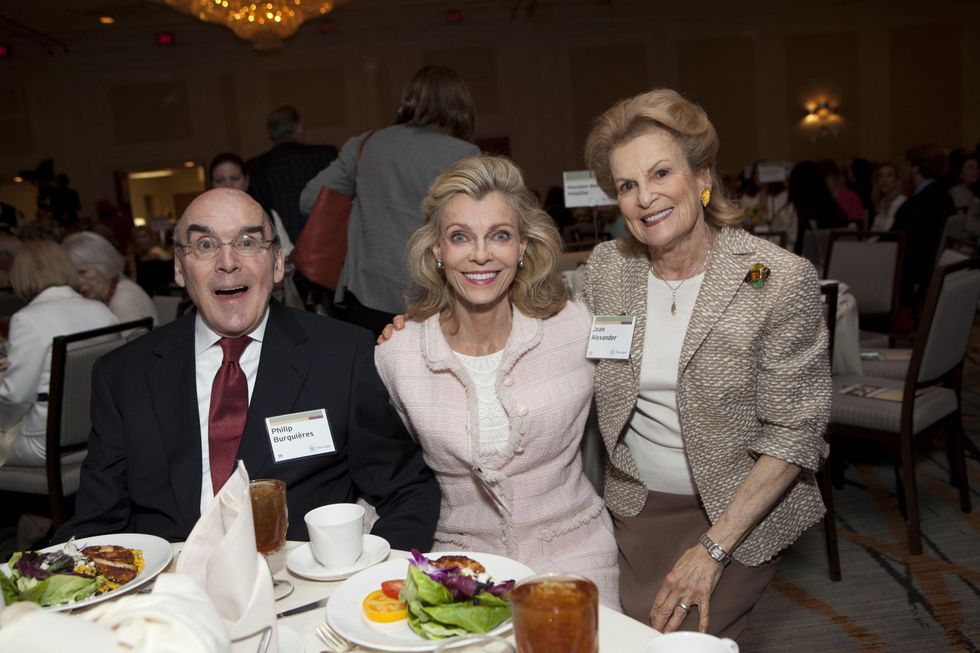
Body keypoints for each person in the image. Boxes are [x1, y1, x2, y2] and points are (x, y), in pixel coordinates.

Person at [55, 188, 440, 548]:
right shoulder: (124, 374)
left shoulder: (341, 356)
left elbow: (407, 490)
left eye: (247, 242)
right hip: (171, 582)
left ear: (277, 263)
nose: (228, 263)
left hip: (294, 579)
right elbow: (97, 522)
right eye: (205, 245)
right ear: (179, 268)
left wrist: (370, 579)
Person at [582, 88, 830, 638]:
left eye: (661, 173)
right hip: (636, 505)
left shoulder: (776, 278)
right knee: (619, 636)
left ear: (701, 177)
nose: (645, 198)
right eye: (627, 185)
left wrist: (714, 549)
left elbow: (795, 433)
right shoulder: (608, 269)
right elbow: (544, 326)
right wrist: (427, 322)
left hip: (739, 512)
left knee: (681, 641)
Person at [375, 156, 620, 607]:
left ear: (523, 245)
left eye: (500, 235)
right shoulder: (398, 354)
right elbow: (393, 476)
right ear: (437, 249)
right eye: (460, 237)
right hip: (461, 569)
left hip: (577, 555)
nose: (481, 254)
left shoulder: (574, 329)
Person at [300, 65, 480, 336]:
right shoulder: (465, 154)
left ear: (408, 100)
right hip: (438, 295)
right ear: (461, 106)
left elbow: (309, 200)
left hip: (366, 295)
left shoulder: (364, 145)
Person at [0, 241, 119, 467]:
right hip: (100, 435)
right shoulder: (101, 311)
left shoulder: (28, 319)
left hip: (48, 443)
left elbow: (15, 397)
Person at [246, 106, 338, 244]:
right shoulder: (326, 155)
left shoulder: (254, 167)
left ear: (271, 133)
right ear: (299, 127)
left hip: (276, 247)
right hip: (324, 243)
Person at [890, 144, 955, 316]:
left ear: (915, 168)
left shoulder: (916, 204)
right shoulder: (946, 196)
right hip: (930, 265)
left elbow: (893, 239)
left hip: (912, 271)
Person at [62, 231, 159, 328]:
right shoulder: (108, 293)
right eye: (73, 275)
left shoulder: (124, 298)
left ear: (104, 266)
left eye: (83, 272)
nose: (78, 282)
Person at [771, 160, 849, 254]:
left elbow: (774, 245)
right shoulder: (835, 209)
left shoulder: (789, 213)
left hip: (799, 261)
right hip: (835, 260)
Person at [869, 162, 907, 232]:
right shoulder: (881, 202)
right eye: (880, 176)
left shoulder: (903, 202)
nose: (884, 179)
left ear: (896, 180)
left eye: (889, 175)